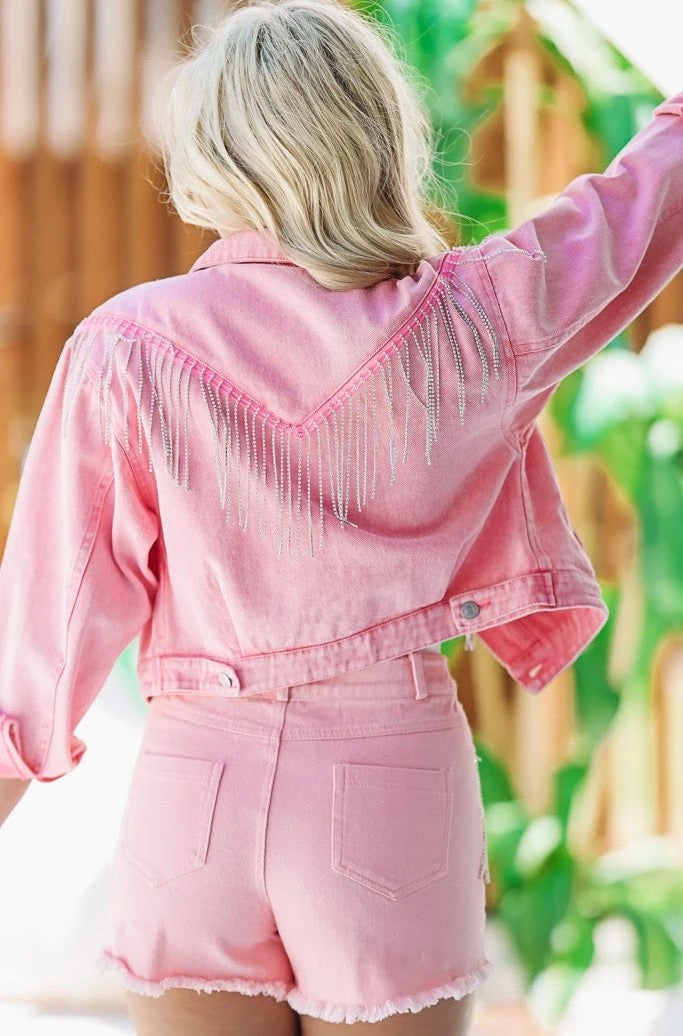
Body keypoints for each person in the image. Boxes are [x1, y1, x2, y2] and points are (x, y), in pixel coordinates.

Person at [0, 1, 681, 1033]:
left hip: (195, 785)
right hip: (389, 774)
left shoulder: (125, 346)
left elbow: (49, 621)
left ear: (212, 156)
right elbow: (637, 212)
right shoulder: (476, 318)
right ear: (375, 135)